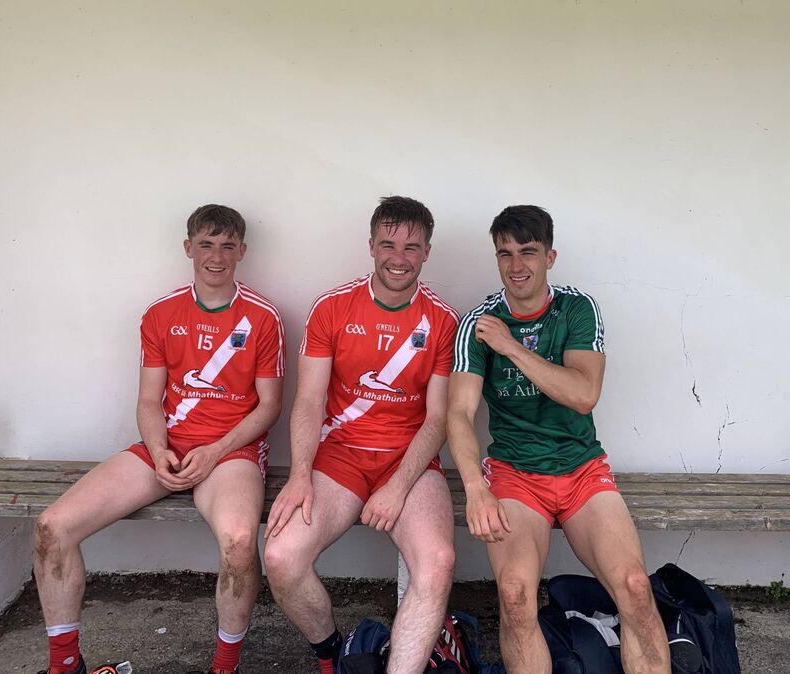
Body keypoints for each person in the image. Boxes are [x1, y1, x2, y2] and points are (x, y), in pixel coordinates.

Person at [33, 205, 285, 674]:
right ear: (188, 248)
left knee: (237, 541)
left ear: (242, 252)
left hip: (231, 452)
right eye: (206, 245)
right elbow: (149, 402)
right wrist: (158, 451)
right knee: (52, 527)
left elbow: (268, 407)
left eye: (228, 246)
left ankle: (224, 666)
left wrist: (214, 451)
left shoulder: (264, 317)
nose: (216, 256)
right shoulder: (160, 312)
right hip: (164, 448)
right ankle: (64, 664)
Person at [447, 205, 671, 674]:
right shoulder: (478, 322)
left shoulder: (576, 308)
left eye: (528, 252)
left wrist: (510, 346)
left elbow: (584, 394)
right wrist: (475, 488)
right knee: (515, 595)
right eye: (504, 254)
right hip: (515, 475)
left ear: (551, 256)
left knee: (634, 586)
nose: (516, 266)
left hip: (580, 469)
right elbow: (460, 413)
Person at [264, 196, 459, 674]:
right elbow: (308, 402)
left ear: (427, 253)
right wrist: (301, 474)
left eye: (412, 247)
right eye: (388, 244)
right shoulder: (331, 307)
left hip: (408, 463)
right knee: (280, 557)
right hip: (341, 457)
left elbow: (437, 420)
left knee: (437, 564)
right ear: (371, 246)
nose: (399, 257)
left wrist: (396, 487)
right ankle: (332, 653)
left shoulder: (442, 320)